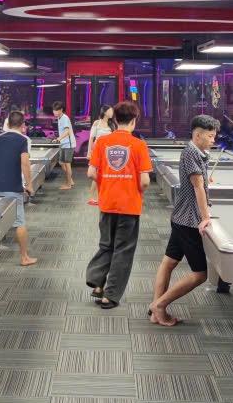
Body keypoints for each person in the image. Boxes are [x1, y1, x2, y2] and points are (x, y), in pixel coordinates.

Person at [149, 114, 219, 326]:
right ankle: (159, 305)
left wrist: (205, 180)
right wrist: (205, 217)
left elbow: (199, 182)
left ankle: (155, 311)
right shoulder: (191, 153)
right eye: (210, 136)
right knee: (200, 275)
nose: (213, 139)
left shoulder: (197, 152)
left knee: (169, 262)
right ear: (198, 136)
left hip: (180, 218)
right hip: (188, 221)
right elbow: (198, 187)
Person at [86, 101, 152, 308]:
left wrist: (107, 183)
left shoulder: (102, 142)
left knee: (106, 244)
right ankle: (110, 295)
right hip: (129, 206)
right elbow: (145, 181)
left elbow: (91, 173)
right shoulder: (139, 145)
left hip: (106, 203)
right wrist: (135, 188)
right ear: (133, 121)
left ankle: (97, 282)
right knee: (123, 250)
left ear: (115, 119)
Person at [0, 110, 37, 266]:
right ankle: (24, 257)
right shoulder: (22, 140)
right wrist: (29, 185)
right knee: (19, 223)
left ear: (7, 124)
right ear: (22, 125)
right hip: (12, 187)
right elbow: (25, 163)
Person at [87, 105, 114, 206]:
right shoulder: (96, 123)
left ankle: (101, 197)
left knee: (104, 174)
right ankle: (92, 197)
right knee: (97, 174)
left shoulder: (112, 124)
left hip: (108, 152)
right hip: (97, 151)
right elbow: (91, 138)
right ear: (105, 112)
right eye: (110, 111)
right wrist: (89, 152)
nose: (112, 113)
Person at [52, 100, 76, 190]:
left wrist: (58, 139)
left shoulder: (65, 118)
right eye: (54, 110)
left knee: (67, 164)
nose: (55, 112)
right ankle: (70, 180)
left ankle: (69, 184)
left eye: (56, 110)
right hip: (63, 144)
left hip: (68, 144)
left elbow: (67, 132)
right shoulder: (59, 118)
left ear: (61, 110)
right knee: (61, 163)